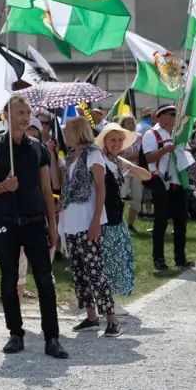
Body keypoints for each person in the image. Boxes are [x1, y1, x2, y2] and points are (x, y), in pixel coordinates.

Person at [0, 97, 66, 358]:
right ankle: (15, 334)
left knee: (45, 282)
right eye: (20, 112)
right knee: (8, 281)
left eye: (28, 112)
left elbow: (46, 188)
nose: (26, 117)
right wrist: (4, 187)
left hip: (35, 223)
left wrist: (53, 227)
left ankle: (52, 338)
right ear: (7, 115)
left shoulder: (38, 148)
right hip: (6, 224)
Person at [58, 117, 119, 337]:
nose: (65, 134)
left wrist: (96, 220)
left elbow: (101, 190)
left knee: (95, 271)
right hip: (71, 221)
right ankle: (92, 316)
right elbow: (64, 187)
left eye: (67, 130)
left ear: (77, 131)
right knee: (79, 272)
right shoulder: (71, 155)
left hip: (87, 220)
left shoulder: (93, 154)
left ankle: (112, 318)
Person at [96, 123, 151, 301]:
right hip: (103, 217)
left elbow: (146, 176)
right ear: (104, 141)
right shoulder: (99, 160)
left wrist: (127, 165)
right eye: (113, 140)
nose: (117, 143)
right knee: (107, 259)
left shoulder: (116, 161)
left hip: (116, 215)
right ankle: (106, 301)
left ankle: (109, 299)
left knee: (120, 258)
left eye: (120, 140)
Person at [141, 105, 189, 270]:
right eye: (172, 114)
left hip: (177, 181)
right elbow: (148, 158)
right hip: (159, 180)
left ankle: (180, 258)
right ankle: (159, 259)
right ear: (161, 117)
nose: (175, 116)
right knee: (161, 221)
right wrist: (165, 150)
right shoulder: (151, 133)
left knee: (181, 220)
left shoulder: (178, 133)